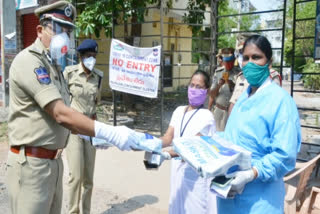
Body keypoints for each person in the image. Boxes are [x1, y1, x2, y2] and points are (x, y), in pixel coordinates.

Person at [6, 1, 138, 214]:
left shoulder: (55, 67)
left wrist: (93, 136)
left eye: (67, 31)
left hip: (53, 163)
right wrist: (110, 132)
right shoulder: (30, 62)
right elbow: (60, 113)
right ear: (40, 30)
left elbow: (71, 115)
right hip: (31, 165)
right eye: (58, 29)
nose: (64, 37)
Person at [217, 35, 301, 214]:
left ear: (269, 63)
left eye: (256, 57)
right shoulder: (243, 99)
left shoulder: (281, 101)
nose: (250, 63)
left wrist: (251, 174)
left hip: (260, 200)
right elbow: (232, 137)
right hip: (229, 196)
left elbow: (284, 155)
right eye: (246, 58)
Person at [159, 70, 217, 214]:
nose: (194, 89)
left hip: (195, 176)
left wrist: (165, 154)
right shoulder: (178, 111)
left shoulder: (206, 116)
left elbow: (191, 146)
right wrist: (146, 142)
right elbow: (168, 138)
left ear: (206, 91)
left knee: (194, 208)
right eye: (192, 85)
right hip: (177, 171)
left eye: (199, 87)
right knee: (177, 206)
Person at [64, 39, 103, 214]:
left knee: (89, 179)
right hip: (74, 129)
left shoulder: (99, 77)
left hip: (90, 128)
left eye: (94, 56)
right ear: (80, 57)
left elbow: (97, 103)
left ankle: (86, 211)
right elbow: (63, 101)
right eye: (88, 56)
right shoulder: (69, 74)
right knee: (76, 177)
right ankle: (73, 211)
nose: (91, 60)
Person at [208, 48, 239, 131]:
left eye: (230, 61)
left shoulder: (239, 74)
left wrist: (231, 84)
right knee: (215, 137)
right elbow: (212, 94)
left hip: (232, 113)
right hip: (218, 110)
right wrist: (219, 85)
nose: (228, 64)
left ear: (234, 60)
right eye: (226, 62)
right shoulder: (218, 73)